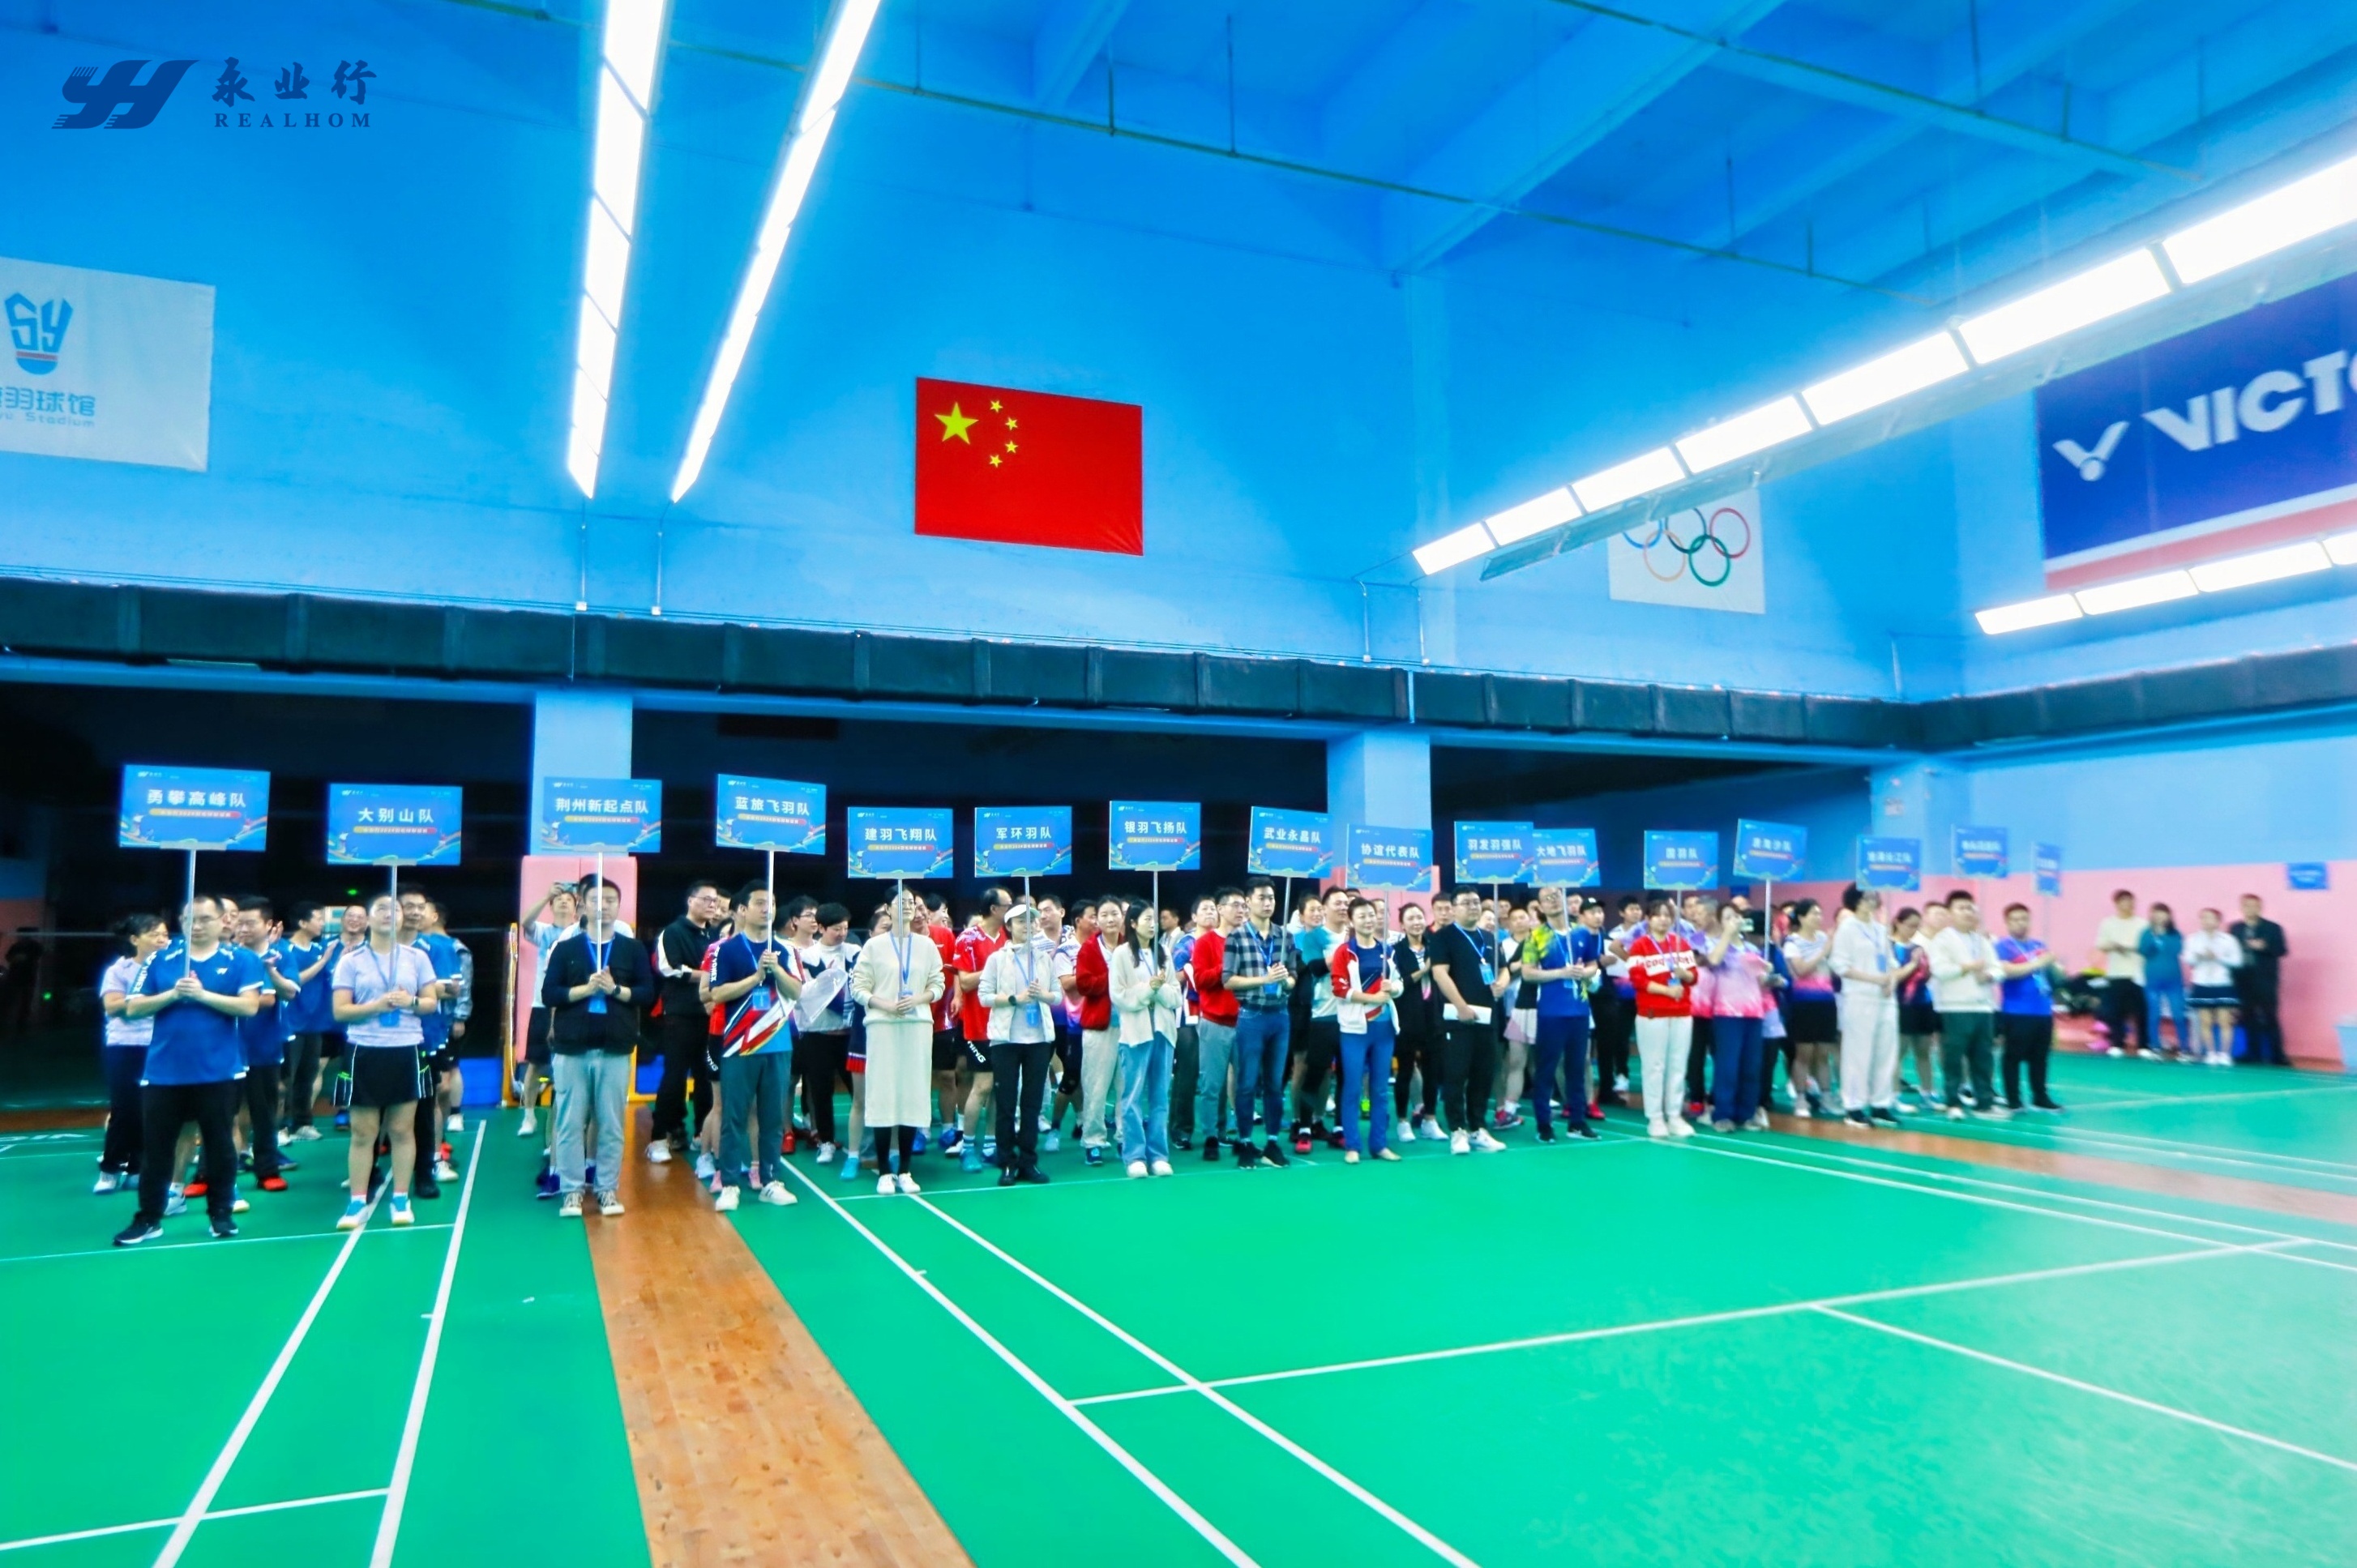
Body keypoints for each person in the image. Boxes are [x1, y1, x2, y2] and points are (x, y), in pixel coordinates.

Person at [113, 896, 263, 1244]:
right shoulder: (160, 959)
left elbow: (249, 1007)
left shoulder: (242, 960)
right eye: (189, 919)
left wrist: (201, 994)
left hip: (218, 1071)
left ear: (222, 922)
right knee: (156, 1149)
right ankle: (149, 1218)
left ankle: (221, 1214)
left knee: (220, 1146)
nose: (196, 925)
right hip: (164, 1072)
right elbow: (133, 1008)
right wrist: (172, 994)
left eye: (205, 918)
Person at [541, 874, 652, 1219]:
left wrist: (615, 989)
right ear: (583, 906)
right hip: (571, 1048)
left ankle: (606, 1189)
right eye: (595, 900)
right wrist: (585, 990)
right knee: (569, 1123)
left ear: (619, 906)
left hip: (615, 1047)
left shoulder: (632, 948)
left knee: (612, 1124)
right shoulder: (566, 948)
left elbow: (647, 994)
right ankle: (571, 1191)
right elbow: (549, 994)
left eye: (610, 900)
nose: (602, 906)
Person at [330, 893, 438, 1230]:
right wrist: (377, 1006)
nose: (389, 914)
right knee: (363, 1133)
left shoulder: (418, 958)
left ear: (402, 918)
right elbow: (340, 1011)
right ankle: (357, 1202)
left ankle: (401, 1198)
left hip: (406, 1048)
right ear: (368, 918)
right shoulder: (351, 961)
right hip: (364, 1050)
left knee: (402, 1130)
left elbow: (431, 1004)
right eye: (380, 909)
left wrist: (410, 1001)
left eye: (395, 910)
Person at [703, 882, 799, 1211]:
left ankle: (771, 1181)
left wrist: (777, 971)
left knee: (772, 1118)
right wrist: (756, 977)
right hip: (739, 1045)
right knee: (733, 1116)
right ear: (742, 910)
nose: (767, 909)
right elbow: (717, 994)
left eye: (771, 903)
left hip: (777, 1043)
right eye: (759, 903)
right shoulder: (726, 950)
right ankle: (730, 1184)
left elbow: (797, 992)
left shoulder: (784, 950)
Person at [851, 888, 945, 1194]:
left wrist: (918, 999)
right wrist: (885, 1005)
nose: (907, 907)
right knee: (883, 1095)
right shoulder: (874, 946)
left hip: (917, 1026)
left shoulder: (926, 945)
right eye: (900, 903)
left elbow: (938, 984)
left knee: (912, 1095)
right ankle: (884, 1171)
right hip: (883, 1027)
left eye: (912, 903)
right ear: (887, 909)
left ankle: (905, 1169)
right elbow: (859, 988)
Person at [979, 900, 1057, 1186]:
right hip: (1006, 1039)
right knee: (1006, 1103)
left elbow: (1057, 995)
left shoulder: (1044, 958)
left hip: (1038, 1039)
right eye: (1021, 921)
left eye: (1031, 920)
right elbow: (984, 996)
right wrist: (1015, 999)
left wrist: (1042, 995)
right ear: (1009, 926)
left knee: (1032, 1104)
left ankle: (1028, 1161)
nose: (1028, 925)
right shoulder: (997, 959)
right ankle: (1007, 1162)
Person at [1427, 889, 1509, 1156]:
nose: (1473, 907)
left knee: (1483, 1074)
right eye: (1466, 903)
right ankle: (1457, 1130)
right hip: (1457, 1017)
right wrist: (1461, 1006)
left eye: (1476, 902)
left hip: (1487, 1017)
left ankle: (1478, 1127)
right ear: (1453, 908)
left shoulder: (1489, 937)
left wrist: (1502, 984)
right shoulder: (1443, 937)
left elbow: (1504, 969)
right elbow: (1440, 974)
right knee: (1456, 1075)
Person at [649, 880, 725, 1162]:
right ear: (690, 901)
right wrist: (707, 976)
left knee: (707, 1079)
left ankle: (701, 1134)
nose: (712, 905)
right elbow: (668, 968)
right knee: (674, 1078)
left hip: (710, 1016)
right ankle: (659, 1137)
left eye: (715, 901)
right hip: (679, 1016)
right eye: (706, 899)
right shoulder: (673, 932)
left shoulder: (714, 936)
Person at [96, 913, 169, 1194]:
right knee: (124, 1108)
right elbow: (112, 1006)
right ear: (135, 939)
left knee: (151, 1110)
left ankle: (138, 1168)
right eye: (154, 934)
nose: (162, 940)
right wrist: (151, 1002)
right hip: (125, 1045)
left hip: (160, 1044)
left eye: (165, 935)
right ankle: (111, 1168)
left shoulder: (171, 970)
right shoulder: (119, 970)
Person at [1223, 878, 1294, 1169]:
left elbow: (1293, 977)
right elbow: (1228, 980)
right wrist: (1264, 979)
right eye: (1262, 898)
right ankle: (1245, 1142)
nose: (1268, 903)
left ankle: (1273, 1143)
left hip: (1280, 1015)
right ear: (1249, 902)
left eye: (1272, 898)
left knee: (1275, 1084)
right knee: (1247, 1083)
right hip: (1251, 1015)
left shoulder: (1285, 936)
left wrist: (1285, 981)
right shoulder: (1237, 936)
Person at [1110, 897, 1183, 1178]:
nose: (1153, 924)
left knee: (1160, 1096)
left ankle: (1159, 1155)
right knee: (1132, 1097)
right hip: (1135, 1035)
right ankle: (1135, 1156)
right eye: (1147, 919)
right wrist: (1147, 989)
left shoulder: (1163, 952)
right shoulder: (1122, 955)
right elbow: (1119, 996)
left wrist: (1158, 988)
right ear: (1133, 923)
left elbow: (1175, 996)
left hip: (1163, 1032)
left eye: (1155, 919)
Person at [1523, 892, 1603, 1141]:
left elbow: (1594, 965)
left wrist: (1584, 972)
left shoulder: (1582, 933)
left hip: (1579, 1010)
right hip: (1551, 1013)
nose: (1553, 900)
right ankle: (1544, 1125)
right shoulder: (1536, 936)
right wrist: (1561, 973)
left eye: (1556, 895)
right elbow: (1527, 973)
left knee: (1577, 1068)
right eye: (1547, 898)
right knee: (1546, 1069)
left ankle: (1577, 1122)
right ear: (1541, 906)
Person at [1329, 896, 1404, 1164]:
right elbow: (1339, 988)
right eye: (1361, 916)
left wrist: (1393, 988)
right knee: (1352, 1087)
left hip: (1384, 1028)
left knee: (1380, 1089)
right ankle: (1352, 1145)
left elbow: (1399, 983)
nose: (1368, 920)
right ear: (1351, 921)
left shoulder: (1388, 951)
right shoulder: (1344, 952)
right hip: (1354, 1030)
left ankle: (1379, 1144)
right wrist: (1371, 998)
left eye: (1371, 915)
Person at [232, 900, 293, 1192]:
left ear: (268, 925)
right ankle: (207, 1174)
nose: (243, 928)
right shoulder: (227, 956)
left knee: (264, 1115)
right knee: (219, 1116)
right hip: (225, 1051)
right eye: (239, 922)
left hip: (263, 1050)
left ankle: (267, 1170)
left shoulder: (278, 956)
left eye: (250, 923)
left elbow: (270, 999)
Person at [1829, 887, 1902, 1128]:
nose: (1872, 901)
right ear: (1856, 901)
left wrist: (1890, 981)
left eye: (1874, 897)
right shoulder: (1847, 928)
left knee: (1886, 1051)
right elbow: (1839, 965)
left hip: (1885, 998)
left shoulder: (1881, 929)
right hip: (1859, 997)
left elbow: (1891, 962)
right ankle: (1854, 1106)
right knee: (1858, 1054)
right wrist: (1873, 979)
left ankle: (1881, 1104)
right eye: (1867, 898)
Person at [1927, 894, 2004, 1119]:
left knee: (1983, 1057)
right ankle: (1953, 1101)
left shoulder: (1981, 940)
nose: (1968, 912)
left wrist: (1989, 976)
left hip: (1983, 1008)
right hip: (1954, 1007)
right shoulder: (1942, 940)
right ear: (1950, 913)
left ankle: (1985, 1102)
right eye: (1961, 908)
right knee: (1954, 1057)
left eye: (1971, 908)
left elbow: (1998, 968)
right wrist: (1967, 967)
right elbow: (1940, 970)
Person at [1623, 897, 1696, 1138]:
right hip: (1652, 1014)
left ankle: (1674, 1115)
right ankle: (1655, 1117)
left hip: (1682, 1013)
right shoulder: (1640, 946)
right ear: (1648, 919)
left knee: (1678, 1065)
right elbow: (1638, 980)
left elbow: (1694, 977)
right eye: (1658, 915)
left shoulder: (1681, 944)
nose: (1663, 919)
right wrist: (1667, 991)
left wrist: (1684, 974)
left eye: (1667, 915)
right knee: (1654, 1066)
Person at [952, 888, 1012, 1173]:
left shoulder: (1009, 938)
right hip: (978, 1026)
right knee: (983, 1086)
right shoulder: (968, 939)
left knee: (1000, 1087)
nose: (1011, 910)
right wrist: (996, 965)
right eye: (1007, 905)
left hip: (1007, 1024)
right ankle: (967, 1146)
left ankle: (990, 1144)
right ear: (993, 909)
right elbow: (964, 982)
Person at [1700, 901, 1773, 1132]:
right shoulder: (1714, 944)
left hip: (1754, 1012)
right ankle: (1723, 1114)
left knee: (1751, 1066)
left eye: (1737, 916)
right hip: (1727, 1013)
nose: (1734, 921)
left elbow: (1761, 980)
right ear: (1720, 922)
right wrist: (1727, 935)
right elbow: (1713, 962)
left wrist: (1770, 975)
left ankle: (1747, 1113)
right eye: (1728, 917)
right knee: (1728, 1065)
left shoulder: (1752, 949)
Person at [792, 903, 858, 1162]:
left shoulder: (855, 952)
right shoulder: (806, 957)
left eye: (845, 928)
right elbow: (803, 995)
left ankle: (863, 1140)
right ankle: (826, 1141)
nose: (842, 933)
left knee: (858, 1089)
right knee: (821, 1091)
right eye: (835, 929)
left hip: (849, 1034)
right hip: (817, 1034)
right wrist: (828, 986)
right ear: (820, 928)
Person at [518, 882, 580, 1136]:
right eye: (558, 900)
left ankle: (559, 1125)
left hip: (571, 1005)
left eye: (569, 899)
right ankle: (528, 1116)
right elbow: (525, 922)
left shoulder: (579, 933)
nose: (563, 902)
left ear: (576, 908)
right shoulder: (543, 931)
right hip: (543, 1005)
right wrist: (546, 896)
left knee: (566, 1066)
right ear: (552, 906)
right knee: (535, 1063)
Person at [1994, 904, 2065, 1111]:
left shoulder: (2039, 945)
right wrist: (2039, 963)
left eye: (2024, 919)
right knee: (2013, 1057)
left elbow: (2054, 974)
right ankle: (2013, 1099)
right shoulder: (2002, 947)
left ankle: (2040, 1096)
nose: (2021, 923)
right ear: (2007, 922)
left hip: (2042, 1010)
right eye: (2015, 919)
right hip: (2017, 1010)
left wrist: (2056, 966)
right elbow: (2007, 971)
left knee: (2040, 1057)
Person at [1187, 889, 1242, 1162]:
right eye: (1235, 905)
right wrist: (1227, 969)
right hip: (1215, 1021)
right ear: (1221, 909)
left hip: (1246, 1021)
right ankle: (1210, 1135)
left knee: (1245, 1083)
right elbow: (1200, 980)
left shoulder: (1248, 939)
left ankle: (1242, 1135)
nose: (1241, 910)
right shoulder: (1206, 942)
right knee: (1211, 1084)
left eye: (1244, 906)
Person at [277, 901, 335, 1143]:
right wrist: (323, 962)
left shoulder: (319, 949)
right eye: (318, 919)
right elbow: (293, 982)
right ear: (302, 923)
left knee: (307, 1077)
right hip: (291, 1024)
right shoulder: (285, 949)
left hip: (315, 1024)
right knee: (286, 1079)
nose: (322, 923)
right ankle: (279, 1127)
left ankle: (302, 1124)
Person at [1777, 900, 1838, 1117]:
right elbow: (1801, 970)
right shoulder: (1792, 942)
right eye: (1813, 913)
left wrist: (1830, 950)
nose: (1818, 917)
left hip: (1827, 1002)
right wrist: (1824, 951)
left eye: (1820, 913)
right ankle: (1801, 1098)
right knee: (1804, 1054)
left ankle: (1826, 1097)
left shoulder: (1823, 938)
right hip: (1804, 1004)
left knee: (1823, 1054)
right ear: (1801, 918)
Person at [1168, 897, 1216, 1151]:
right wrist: (1191, 969)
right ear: (1194, 917)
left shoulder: (1223, 940)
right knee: (1188, 1073)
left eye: (1213, 909)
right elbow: (1174, 977)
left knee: (1216, 1073)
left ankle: (1217, 1129)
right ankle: (1180, 1129)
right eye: (1204, 909)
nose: (1210, 913)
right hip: (1188, 1014)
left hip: (1217, 1013)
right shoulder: (1186, 943)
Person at [1389, 900, 1439, 1139]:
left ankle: (1430, 1119)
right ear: (1402, 925)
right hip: (1407, 1018)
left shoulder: (1435, 947)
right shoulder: (1396, 951)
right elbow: (1399, 984)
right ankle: (1403, 1122)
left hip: (1433, 1017)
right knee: (1405, 1071)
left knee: (1432, 1072)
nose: (1416, 922)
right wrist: (1424, 970)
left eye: (1419, 917)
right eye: (1411, 918)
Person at [2230, 894, 2288, 1064]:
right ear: (2242, 908)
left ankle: (2277, 1055)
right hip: (2243, 979)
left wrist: (2264, 947)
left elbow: (2282, 950)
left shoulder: (2273, 928)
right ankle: (2252, 1053)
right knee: (2247, 1017)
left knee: (2270, 1016)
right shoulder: (2235, 928)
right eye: (2247, 906)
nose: (2251, 909)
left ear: (2260, 908)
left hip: (2265, 979)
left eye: (2255, 906)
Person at [1598, 895, 1644, 1108]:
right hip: (1621, 993)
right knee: (1621, 1037)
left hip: (1645, 991)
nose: (1636, 912)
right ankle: (1622, 1074)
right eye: (1631, 909)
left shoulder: (1648, 933)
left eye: (1638, 909)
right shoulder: (1612, 936)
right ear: (1622, 913)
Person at [1890, 906, 1936, 1110]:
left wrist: (1927, 970)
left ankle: (1928, 1093)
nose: (1913, 930)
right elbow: (1894, 977)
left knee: (1924, 1051)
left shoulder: (1919, 948)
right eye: (1910, 926)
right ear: (1898, 923)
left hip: (1923, 1003)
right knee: (1899, 1052)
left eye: (1917, 927)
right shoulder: (1890, 947)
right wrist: (1913, 964)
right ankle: (1893, 1095)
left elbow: (1926, 976)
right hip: (1902, 1004)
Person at [2184, 908, 2243, 1067]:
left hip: (2222, 983)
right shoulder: (2193, 939)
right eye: (2203, 918)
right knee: (2205, 1021)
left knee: (2225, 1021)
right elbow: (2188, 960)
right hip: (2201, 983)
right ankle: (2210, 1053)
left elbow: (2238, 962)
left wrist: (2219, 957)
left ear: (2218, 921)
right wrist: (2199, 956)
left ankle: (2225, 1054)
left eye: (2210, 918)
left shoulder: (2229, 940)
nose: (2206, 921)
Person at [2094, 889, 2149, 1058]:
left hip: (2138, 974)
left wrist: (2130, 948)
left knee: (2141, 1011)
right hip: (2116, 974)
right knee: (2116, 1012)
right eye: (2124, 901)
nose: (2128, 904)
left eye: (2131, 901)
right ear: (2117, 904)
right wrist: (2114, 946)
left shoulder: (2143, 924)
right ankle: (2117, 1043)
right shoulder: (2108, 923)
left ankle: (2143, 1046)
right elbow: (2101, 945)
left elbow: (2147, 947)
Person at [2139, 904, 2188, 1060]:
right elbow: (2144, 951)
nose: (2160, 917)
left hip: (2174, 981)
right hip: (2152, 980)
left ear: (2169, 916)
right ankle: (2155, 1047)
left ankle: (2184, 1049)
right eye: (2157, 914)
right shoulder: (2146, 933)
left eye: (2163, 914)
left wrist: (2163, 937)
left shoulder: (2175, 934)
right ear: (2152, 916)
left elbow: (2177, 950)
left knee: (2178, 1014)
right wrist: (2154, 938)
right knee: (2154, 1014)